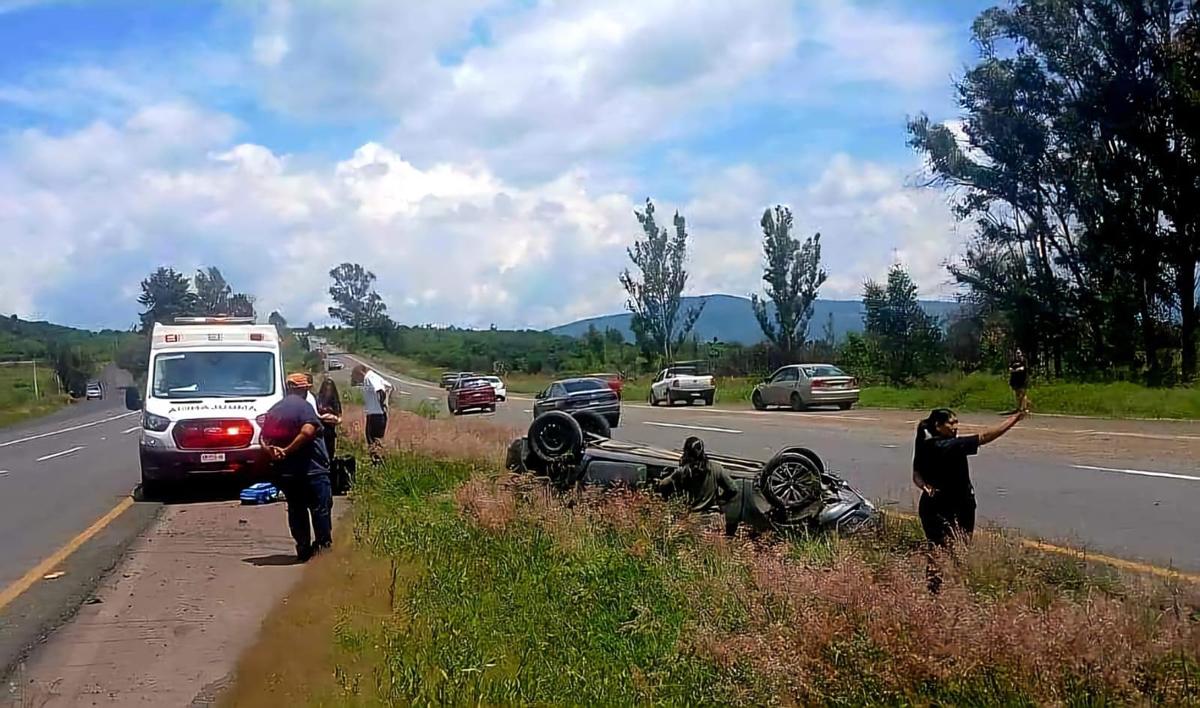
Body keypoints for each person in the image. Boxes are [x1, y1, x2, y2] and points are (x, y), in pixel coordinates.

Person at [261, 372, 333, 562]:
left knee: (296, 509)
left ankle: (303, 548)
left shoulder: (275, 409)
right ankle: (323, 548)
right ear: (305, 389)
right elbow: (308, 431)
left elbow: (263, 437)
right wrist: (288, 449)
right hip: (312, 470)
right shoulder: (305, 407)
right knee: (320, 508)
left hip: (287, 473)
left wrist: (271, 451)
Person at [351, 363, 393, 456]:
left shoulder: (369, 377)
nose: (357, 380)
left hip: (375, 415)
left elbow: (380, 390)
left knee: (372, 441)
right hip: (378, 414)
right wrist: (386, 403)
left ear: (360, 373)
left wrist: (382, 404)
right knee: (376, 441)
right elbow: (389, 387)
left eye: (356, 376)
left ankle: (376, 463)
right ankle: (378, 462)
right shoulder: (374, 377)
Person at [315, 376, 342, 459]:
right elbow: (316, 415)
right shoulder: (317, 400)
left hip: (330, 432)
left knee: (329, 454)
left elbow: (339, 418)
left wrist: (329, 418)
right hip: (320, 431)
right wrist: (328, 417)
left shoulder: (335, 402)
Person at [1008, 349, 1029, 414]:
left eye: (1019, 353)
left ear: (1021, 353)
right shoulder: (1013, 361)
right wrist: (1013, 369)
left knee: (1023, 394)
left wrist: (1016, 369)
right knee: (1017, 394)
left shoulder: (1023, 360)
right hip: (1015, 380)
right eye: (1017, 353)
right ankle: (1019, 408)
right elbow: (1010, 368)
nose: (1018, 354)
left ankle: (1024, 408)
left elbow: (1022, 368)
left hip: (1022, 380)